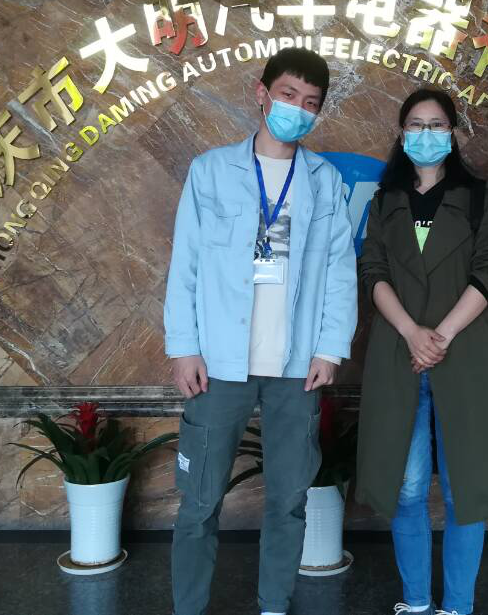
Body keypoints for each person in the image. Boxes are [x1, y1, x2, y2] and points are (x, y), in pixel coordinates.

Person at [164, 48, 358, 615]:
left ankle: (274, 603)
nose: (298, 109)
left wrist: (329, 348)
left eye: (311, 103)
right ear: (262, 93)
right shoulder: (210, 170)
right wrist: (184, 348)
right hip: (219, 360)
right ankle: (189, 607)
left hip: (296, 364)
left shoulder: (325, 181)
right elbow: (186, 264)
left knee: (289, 500)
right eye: (288, 96)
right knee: (199, 500)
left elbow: (340, 272)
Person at [356, 88, 488, 615]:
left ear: (453, 132)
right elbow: (373, 270)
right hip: (399, 353)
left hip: (464, 352)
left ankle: (459, 605)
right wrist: (411, 332)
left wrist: (440, 336)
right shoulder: (385, 199)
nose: (426, 134)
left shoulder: (479, 195)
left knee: (463, 486)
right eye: (416, 125)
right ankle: (417, 601)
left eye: (437, 124)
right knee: (406, 487)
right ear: (402, 134)